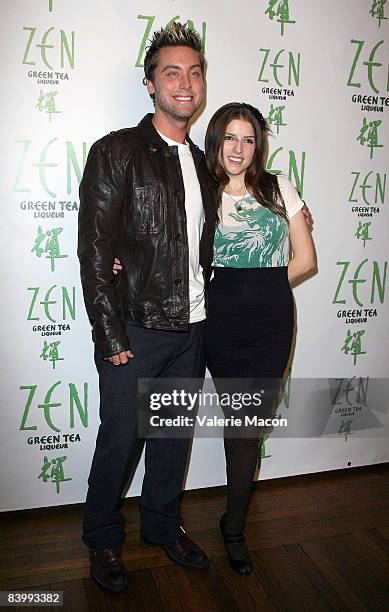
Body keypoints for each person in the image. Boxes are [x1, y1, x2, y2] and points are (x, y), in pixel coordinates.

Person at [77, 22, 216, 594]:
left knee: (172, 438)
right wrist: (110, 336)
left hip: (192, 326)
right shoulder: (116, 152)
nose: (185, 83)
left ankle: (162, 525)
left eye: (194, 71)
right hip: (134, 327)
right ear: (151, 84)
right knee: (119, 441)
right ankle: (104, 540)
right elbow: (94, 251)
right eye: (172, 72)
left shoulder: (206, 162)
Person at [204, 102, 317, 575]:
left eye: (248, 139)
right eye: (231, 137)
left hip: (271, 324)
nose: (239, 148)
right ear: (216, 141)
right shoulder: (202, 193)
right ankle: (230, 524)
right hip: (219, 322)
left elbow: (305, 259)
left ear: (259, 146)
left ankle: (233, 526)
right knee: (239, 420)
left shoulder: (278, 188)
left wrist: (263, 286)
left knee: (249, 426)